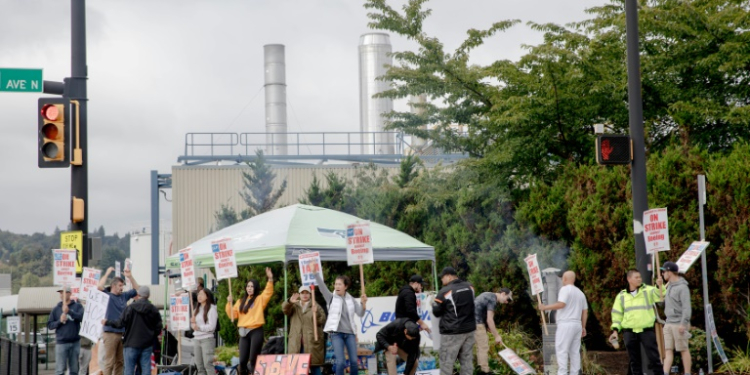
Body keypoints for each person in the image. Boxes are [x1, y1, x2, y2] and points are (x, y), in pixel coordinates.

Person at [609, 269, 665, 375]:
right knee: (634, 361)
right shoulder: (621, 296)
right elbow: (617, 315)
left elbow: (660, 296)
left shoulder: (648, 290)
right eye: (636, 277)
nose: (639, 279)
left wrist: (659, 286)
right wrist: (615, 330)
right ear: (629, 279)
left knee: (654, 358)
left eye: (640, 277)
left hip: (646, 331)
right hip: (629, 332)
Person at [314, 273, 367, 375]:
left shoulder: (351, 299)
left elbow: (360, 313)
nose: (337, 286)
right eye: (335, 284)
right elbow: (322, 287)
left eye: (339, 284)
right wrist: (315, 273)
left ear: (345, 286)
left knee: (354, 362)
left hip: (350, 334)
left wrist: (363, 304)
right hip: (336, 334)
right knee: (340, 362)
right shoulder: (331, 297)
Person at [102, 286, 162, 375]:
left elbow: (120, 323)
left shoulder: (130, 308)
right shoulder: (153, 309)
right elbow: (158, 327)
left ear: (139, 294)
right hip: (147, 344)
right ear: (148, 295)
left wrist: (107, 322)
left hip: (131, 343)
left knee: (129, 370)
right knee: (146, 370)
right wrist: (151, 336)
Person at [226, 267, 275, 375]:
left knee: (253, 360)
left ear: (255, 288)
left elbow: (268, 292)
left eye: (252, 286)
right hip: (243, 332)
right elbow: (232, 315)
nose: (249, 288)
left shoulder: (259, 299)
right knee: (242, 361)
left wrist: (270, 279)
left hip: (256, 331)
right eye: (248, 286)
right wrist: (229, 303)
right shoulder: (240, 301)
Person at [538, 271, 588, 375]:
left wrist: (545, 307)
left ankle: (562, 373)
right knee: (574, 352)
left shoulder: (565, 290)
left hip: (566, 324)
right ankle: (575, 373)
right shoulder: (580, 293)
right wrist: (583, 327)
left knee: (562, 350)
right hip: (577, 324)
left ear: (564, 279)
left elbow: (561, 304)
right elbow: (585, 311)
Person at [432, 267, 475, 375]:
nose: (442, 281)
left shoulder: (445, 291)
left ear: (449, 276)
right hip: (469, 330)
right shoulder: (470, 287)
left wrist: (432, 303)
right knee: (467, 362)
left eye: (442, 278)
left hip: (452, 333)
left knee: (447, 363)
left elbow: (436, 312)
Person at [97, 266, 140, 375]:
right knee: (109, 362)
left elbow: (137, 290)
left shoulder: (124, 296)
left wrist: (130, 276)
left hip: (122, 333)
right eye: (120, 285)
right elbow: (99, 286)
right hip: (110, 333)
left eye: (123, 286)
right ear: (113, 286)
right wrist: (107, 273)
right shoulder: (107, 296)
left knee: (120, 362)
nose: (122, 288)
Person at [282, 285, 327, 375]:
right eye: (302, 293)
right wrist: (289, 302)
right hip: (296, 342)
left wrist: (316, 313)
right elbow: (285, 310)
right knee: (297, 368)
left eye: (307, 293)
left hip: (312, 342)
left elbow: (322, 320)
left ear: (310, 294)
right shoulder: (294, 305)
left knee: (315, 367)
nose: (305, 295)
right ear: (299, 294)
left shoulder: (315, 305)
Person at [660, 261, 692, 375]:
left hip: (678, 323)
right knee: (668, 350)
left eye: (664, 271)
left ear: (669, 272)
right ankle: (665, 372)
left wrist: (683, 323)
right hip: (668, 322)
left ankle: (687, 373)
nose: (662, 274)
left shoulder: (682, 287)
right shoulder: (668, 286)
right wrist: (659, 287)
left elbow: (686, 307)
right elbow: (661, 300)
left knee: (683, 349)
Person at [474, 288, 513, 375]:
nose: (507, 302)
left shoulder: (487, 294)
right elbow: (490, 320)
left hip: (469, 322)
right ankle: (484, 371)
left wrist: (488, 327)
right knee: (483, 346)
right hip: (476, 323)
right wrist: (497, 336)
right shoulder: (493, 300)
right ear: (503, 294)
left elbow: (480, 309)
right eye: (508, 299)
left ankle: (481, 369)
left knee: (479, 347)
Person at [47, 286, 84, 375]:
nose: (61, 295)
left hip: (75, 342)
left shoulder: (77, 306)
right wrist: (59, 321)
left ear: (69, 293)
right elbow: (50, 325)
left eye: (63, 292)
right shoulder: (56, 309)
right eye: (60, 293)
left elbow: (82, 317)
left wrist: (69, 312)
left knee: (74, 370)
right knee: (60, 370)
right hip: (61, 343)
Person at [192, 288, 219, 375]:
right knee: (199, 366)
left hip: (207, 339)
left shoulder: (212, 309)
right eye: (198, 294)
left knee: (208, 365)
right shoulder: (196, 309)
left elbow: (212, 326)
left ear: (207, 296)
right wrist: (192, 323)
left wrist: (199, 327)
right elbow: (194, 325)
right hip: (196, 339)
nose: (199, 296)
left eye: (202, 294)